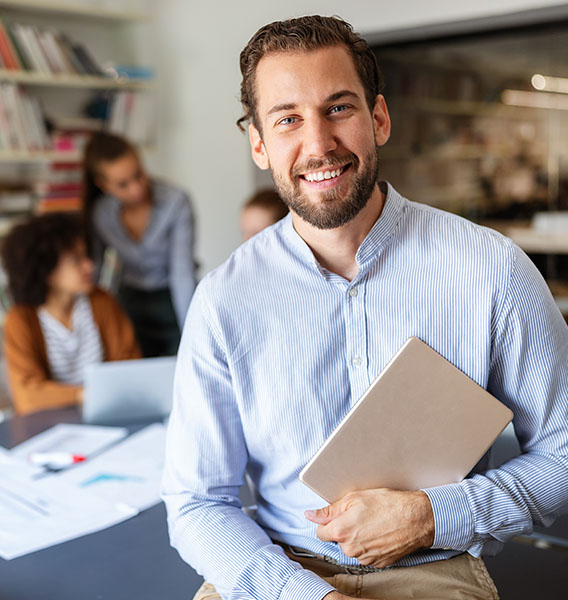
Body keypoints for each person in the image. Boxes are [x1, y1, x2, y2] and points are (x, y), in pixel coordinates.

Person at [162, 15, 568, 600]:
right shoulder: (223, 300)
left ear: (378, 118)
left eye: (339, 108)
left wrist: (432, 514)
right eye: (287, 120)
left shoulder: (492, 270)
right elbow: (198, 502)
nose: (319, 143)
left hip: (433, 565)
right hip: (273, 573)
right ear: (258, 142)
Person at [1, 213, 140, 415]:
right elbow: (28, 396)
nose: (89, 265)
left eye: (86, 256)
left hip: (107, 415)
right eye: (77, 260)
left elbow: (130, 369)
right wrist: (89, 394)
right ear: (46, 271)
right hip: (50, 425)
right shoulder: (20, 319)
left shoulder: (103, 302)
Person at [82, 131, 196, 357]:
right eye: (123, 184)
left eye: (139, 175)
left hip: (172, 298)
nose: (136, 188)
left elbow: (182, 275)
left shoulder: (176, 201)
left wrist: (192, 334)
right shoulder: (100, 213)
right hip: (129, 301)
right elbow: (93, 272)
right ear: (103, 185)